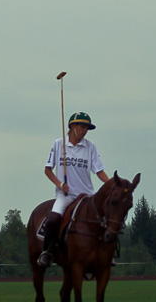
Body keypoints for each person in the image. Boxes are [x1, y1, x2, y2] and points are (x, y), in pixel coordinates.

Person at [36, 112, 111, 268]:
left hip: (87, 195)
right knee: (53, 219)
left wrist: (112, 183)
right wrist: (60, 184)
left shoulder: (90, 147)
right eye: (82, 127)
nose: (85, 131)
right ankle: (47, 252)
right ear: (72, 126)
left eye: (87, 128)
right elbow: (48, 170)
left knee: (107, 219)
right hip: (66, 195)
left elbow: (99, 171)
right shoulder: (59, 144)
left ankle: (108, 253)